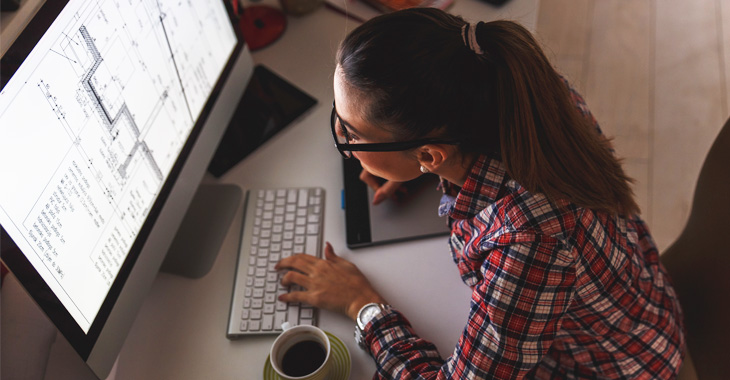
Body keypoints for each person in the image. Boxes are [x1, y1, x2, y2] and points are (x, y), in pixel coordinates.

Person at [275, 8, 685, 379]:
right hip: (637, 299)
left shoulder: (529, 243)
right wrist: (414, 166)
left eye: (351, 133)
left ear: (431, 152)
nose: (343, 140)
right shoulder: (526, 95)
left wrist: (363, 305)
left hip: (614, 364)